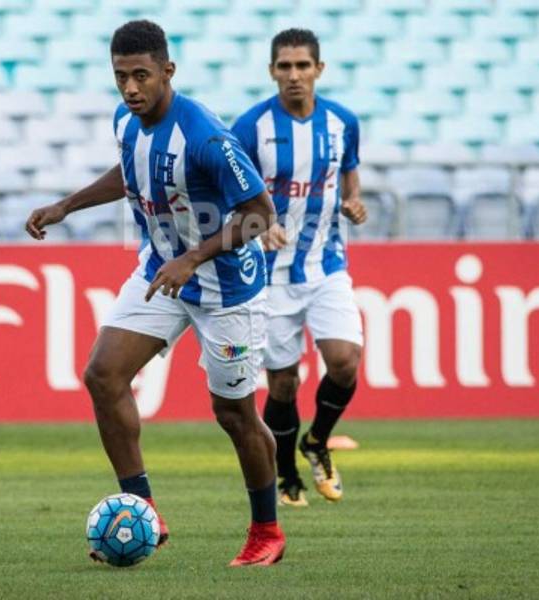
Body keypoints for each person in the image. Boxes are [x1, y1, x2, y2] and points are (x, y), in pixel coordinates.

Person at [25, 20, 285, 567]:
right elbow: (129, 173)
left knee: (234, 413)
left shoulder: (208, 138)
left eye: (141, 75)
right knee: (103, 374)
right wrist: (65, 206)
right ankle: (142, 510)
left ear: (168, 71)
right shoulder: (126, 119)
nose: (130, 88)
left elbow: (262, 215)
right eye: (121, 76)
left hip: (227, 288)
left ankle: (266, 531)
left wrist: (193, 256)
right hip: (162, 272)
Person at [231, 28, 367, 507]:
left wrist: (353, 201)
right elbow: (231, 194)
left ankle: (318, 441)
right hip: (268, 275)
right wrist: (256, 223)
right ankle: (287, 471)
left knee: (345, 361)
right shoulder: (249, 128)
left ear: (318, 70)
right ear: (272, 71)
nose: (294, 75)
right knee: (283, 382)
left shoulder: (342, 122)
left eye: (302, 66)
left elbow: (348, 170)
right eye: (284, 66)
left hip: (325, 265)